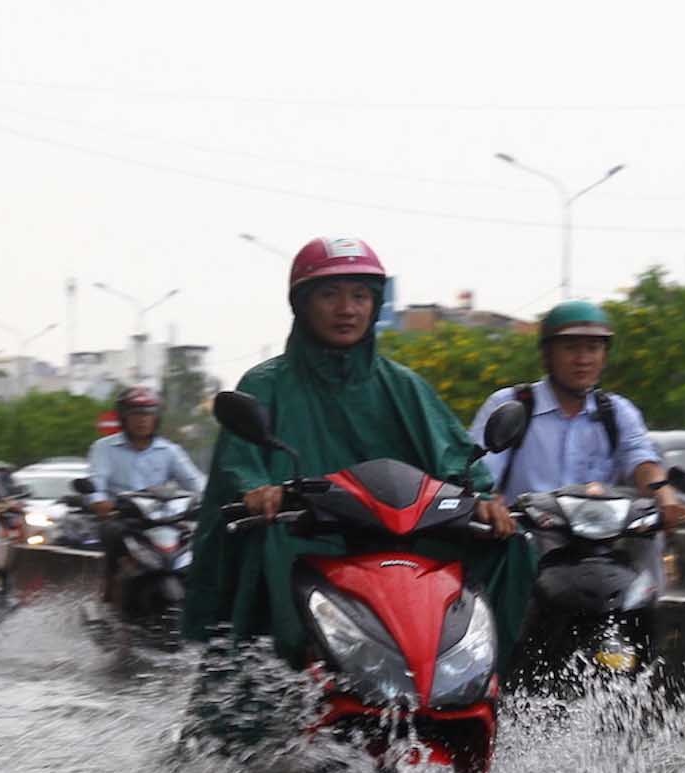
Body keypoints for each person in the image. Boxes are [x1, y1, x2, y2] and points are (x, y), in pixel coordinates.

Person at [182, 235, 533, 667]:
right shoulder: (266, 384)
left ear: (375, 304)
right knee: (262, 550)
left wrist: (481, 499)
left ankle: (490, 678)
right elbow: (241, 462)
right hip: (304, 539)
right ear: (303, 304)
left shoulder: (403, 385)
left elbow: (454, 457)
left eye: (360, 295)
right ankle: (262, 696)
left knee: (511, 544)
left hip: (397, 544)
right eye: (329, 294)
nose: (346, 308)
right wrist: (260, 489)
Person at [469, 300, 685, 529]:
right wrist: (487, 501)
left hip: (602, 544)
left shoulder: (617, 412)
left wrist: (663, 493)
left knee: (650, 547)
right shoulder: (511, 403)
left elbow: (640, 458)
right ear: (547, 355)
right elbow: (481, 471)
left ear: (604, 357)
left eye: (593, 348)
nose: (583, 360)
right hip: (527, 544)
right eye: (571, 348)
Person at [84, 385, 206, 604]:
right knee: (113, 533)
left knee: (199, 539)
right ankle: (108, 593)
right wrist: (99, 501)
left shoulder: (170, 450)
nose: (142, 420)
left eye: (148, 414)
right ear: (123, 418)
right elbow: (96, 483)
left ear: (156, 418)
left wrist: (209, 500)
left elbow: (195, 482)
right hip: (123, 518)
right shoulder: (104, 448)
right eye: (136, 414)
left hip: (164, 520)